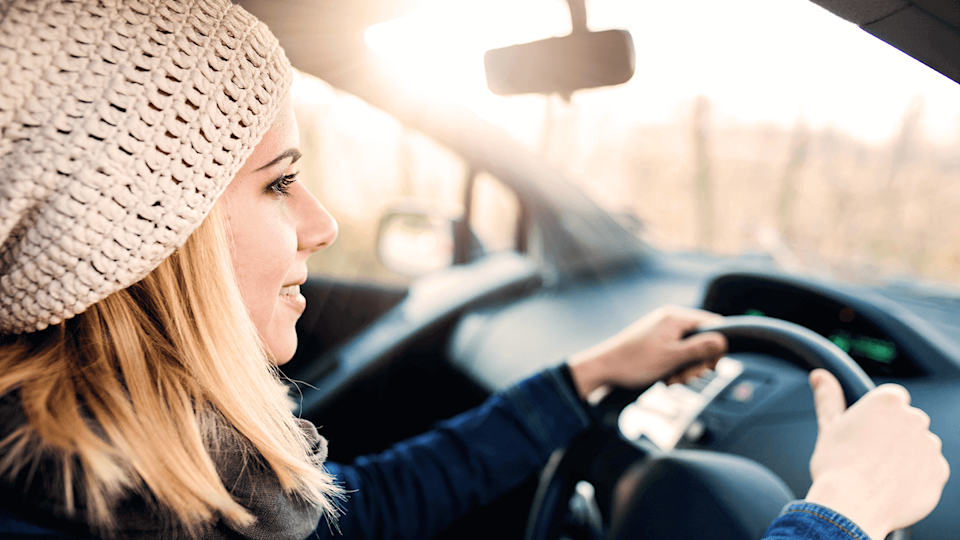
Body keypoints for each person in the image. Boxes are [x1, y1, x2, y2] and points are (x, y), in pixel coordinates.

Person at [0, 1, 948, 539]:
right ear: (145, 237)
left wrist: (584, 379)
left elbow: (357, 518)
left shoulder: (137, 469)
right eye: (280, 183)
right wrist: (841, 515)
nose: (323, 224)